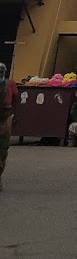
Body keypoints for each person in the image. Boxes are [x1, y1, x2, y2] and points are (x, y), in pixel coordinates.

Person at [0, 62, 19, 190]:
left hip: (5, 117)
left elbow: (16, 100)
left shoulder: (10, 84)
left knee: (2, 148)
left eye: (1, 70)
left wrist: (15, 116)